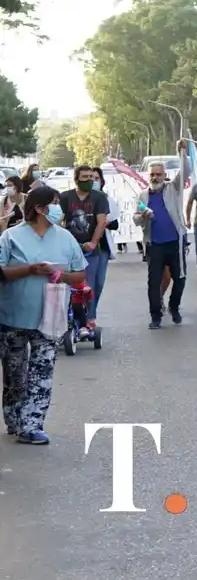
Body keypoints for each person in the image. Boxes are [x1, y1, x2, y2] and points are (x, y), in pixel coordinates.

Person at [0, 185, 88, 445]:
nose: (59, 208)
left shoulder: (66, 238)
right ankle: (14, 418)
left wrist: (62, 275)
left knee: (42, 371)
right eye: (55, 202)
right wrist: (29, 269)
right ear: (39, 208)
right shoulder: (10, 237)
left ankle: (33, 424)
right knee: (14, 373)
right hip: (13, 316)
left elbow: (80, 275)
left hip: (50, 316)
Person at [135, 151, 190, 329]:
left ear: (165, 175)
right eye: (152, 174)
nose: (155, 177)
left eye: (159, 174)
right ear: (148, 176)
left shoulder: (173, 188)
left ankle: (174, 307)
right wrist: (143, 216)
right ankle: (155, 316)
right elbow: (135, 219)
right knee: (154, 282)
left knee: (180, 278)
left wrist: (181, 150)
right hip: (154, 245)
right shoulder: (143, 196)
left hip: (175, 242)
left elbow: (186, 171)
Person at [61, 165, 111, 327]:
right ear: (76, 180)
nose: (89, 180)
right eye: (85, 177)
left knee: (89, 286)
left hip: (91, 250)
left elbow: (101, 222)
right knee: (68, 285)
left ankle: (89, 319)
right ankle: (68, 318)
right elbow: (59, 221)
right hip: (69, 249)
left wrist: (93, 243)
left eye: (91, 177)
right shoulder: (66, 197)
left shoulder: (99, 198)